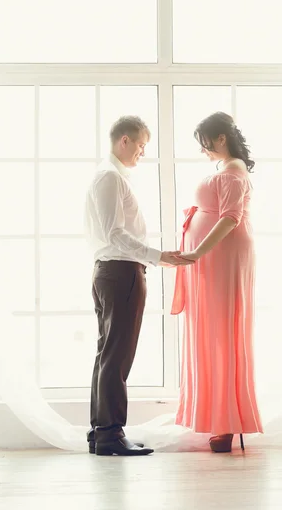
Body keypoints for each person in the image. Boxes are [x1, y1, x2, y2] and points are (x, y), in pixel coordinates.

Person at [85, 115, 193, 456]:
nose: (143, 153)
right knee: (116, 357)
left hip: (112, 271)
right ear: (124, 141)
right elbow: (114, 233)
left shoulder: (111, 177)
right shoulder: (110, 178)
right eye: (141, 145)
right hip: (120, 273)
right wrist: (158, 255)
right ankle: (110, 434)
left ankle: (102, 432)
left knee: (108, 354)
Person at [173, 111, 263, 452]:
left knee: (222, 333)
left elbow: (229, 220)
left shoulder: (234, 172)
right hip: (216, 258)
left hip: (223, 258)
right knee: (213, 331)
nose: (203, 150)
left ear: (220, 139)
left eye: (205, 144)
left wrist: (197, 253)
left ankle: (227, 421)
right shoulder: (227, 170)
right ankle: (218, 416)